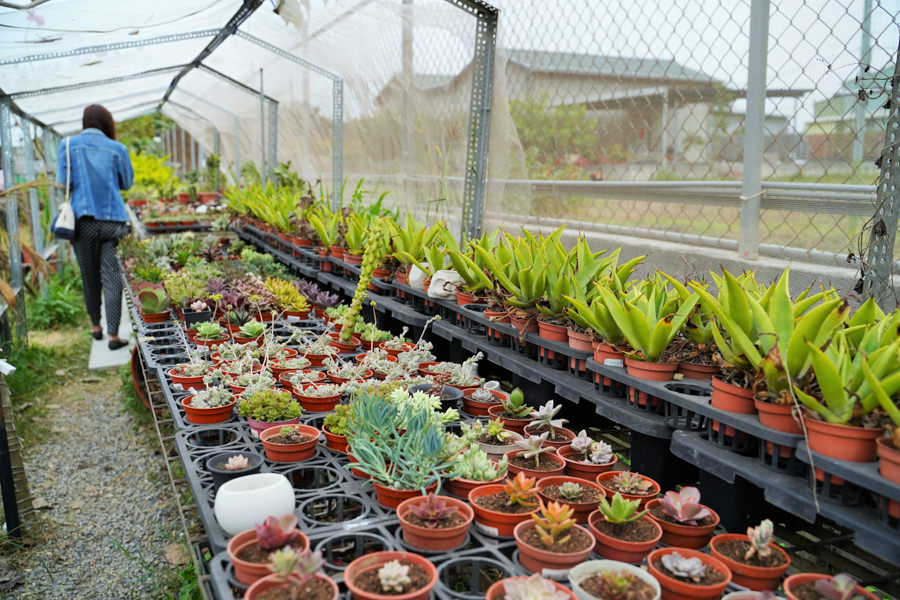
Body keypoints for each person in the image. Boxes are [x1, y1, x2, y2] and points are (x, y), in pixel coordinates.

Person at [56, 105, 134, 350]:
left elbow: (62, 182)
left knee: (89, 277)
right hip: (113, 223)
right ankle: (114, 336)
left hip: (84, 223)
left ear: (84, 121)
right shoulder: (117, 149)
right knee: (112, 279)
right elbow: (127, 183)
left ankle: (95, 327)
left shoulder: (68, 145)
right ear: (107, 123)